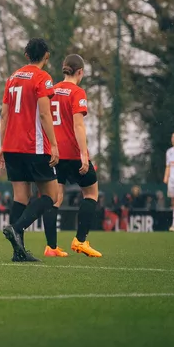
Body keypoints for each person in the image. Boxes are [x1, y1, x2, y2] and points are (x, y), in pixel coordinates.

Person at [0, 38, 59, 262]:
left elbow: (4, 114)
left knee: (21, 197)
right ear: (47, 55)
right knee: (52, 195)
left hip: (12, 145)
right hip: (34, 146)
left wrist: (2, 145)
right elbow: (44, 114)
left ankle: (18, 252)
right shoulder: (43, 78)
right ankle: (17, 227)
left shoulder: (12, 78)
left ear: (26, 55)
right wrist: (53, 144)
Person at [48, 54, 102, 257]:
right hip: (72, 152)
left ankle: (51, 247)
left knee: (56, 198)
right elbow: (78, 125)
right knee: (91, 194)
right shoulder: (77, 92)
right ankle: (80, 241)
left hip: (53, 152)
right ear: (80, 72)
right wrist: (84, 154)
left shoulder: (52, 90)